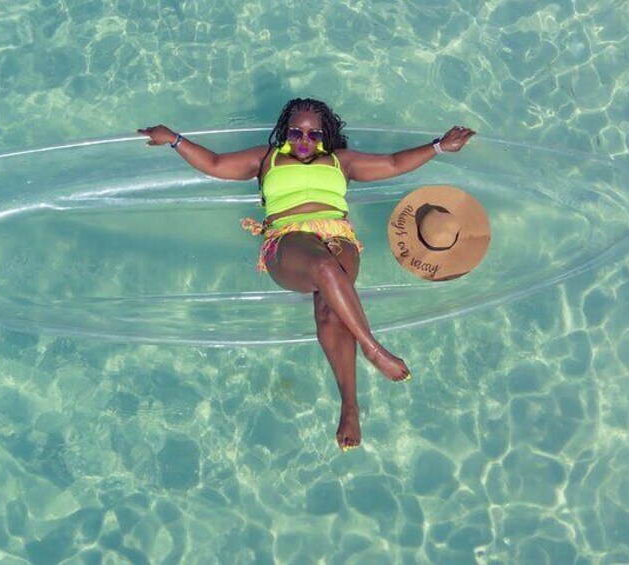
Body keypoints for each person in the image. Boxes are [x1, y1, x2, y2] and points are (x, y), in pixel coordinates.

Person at [138, 98, 476, 452]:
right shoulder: (265, 158)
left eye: (314, 133)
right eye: (296, 131)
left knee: (331, 311)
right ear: (285, 130)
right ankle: (372, 348)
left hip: (338, 235)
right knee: (325, 267)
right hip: (287, 242)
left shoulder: (341, 161)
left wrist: (440, 146)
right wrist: (174, 139)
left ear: (325, 135)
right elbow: (215, 163)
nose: (304, 138)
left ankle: (350, 405)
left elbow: (394, 163)